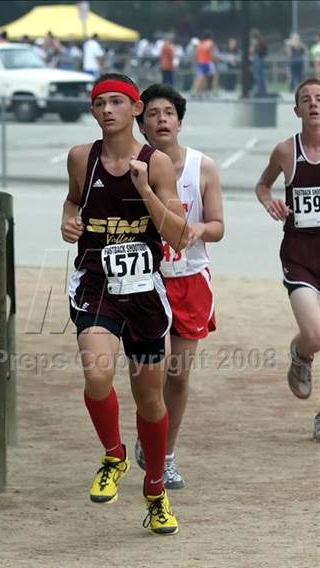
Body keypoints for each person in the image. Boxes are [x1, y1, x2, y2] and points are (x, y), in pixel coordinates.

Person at [61, 73, 189, 534]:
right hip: (96, 282)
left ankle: (155, 490)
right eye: (100, 103)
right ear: (93, 112)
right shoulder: (81, 158)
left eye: (117, 101)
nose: (107, 109)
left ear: (135, 109)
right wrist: (69, 223)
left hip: (143, 292)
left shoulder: (156, 163)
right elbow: (73, 201)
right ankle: (114, 454)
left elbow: (177, 234)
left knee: (149, 398)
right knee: (96, 371)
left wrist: (146, 190)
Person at [134, 83, 224, 487]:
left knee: (179, 374)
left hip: (190, 280)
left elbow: (219, 228)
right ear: (142, 125)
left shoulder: (202, 167)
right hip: (148, 279)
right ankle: (150, 438)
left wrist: (199, 227)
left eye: (168, 112)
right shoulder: (133, 168)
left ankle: (166, 454)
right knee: (154, 370)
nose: (162, 119)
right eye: (153, 113)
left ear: (180, 121)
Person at [255, 78, 320, 442]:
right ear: (296, 111)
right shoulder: (285, 151)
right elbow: (263, 185)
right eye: (306, 100)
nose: (314, 105)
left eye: (319, 99)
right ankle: (300, 352)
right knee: (315, 333)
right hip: (300, 255)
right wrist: (270, 201)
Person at [191, 32, 216, 96]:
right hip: (206, 61)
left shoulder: (200, 43)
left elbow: (197, 53)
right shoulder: (210, 42)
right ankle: (195, 91)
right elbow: (210, 51)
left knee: (203, 77)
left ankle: (201, 92)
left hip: (200, 61)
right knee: (202, 77)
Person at [250, 29, 268, 97]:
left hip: (258, 57)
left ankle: (259, 89)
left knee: (258, 75)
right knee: (260, 74)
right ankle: (262, 89)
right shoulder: (261, 39)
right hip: (260, 58)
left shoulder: (257, 41)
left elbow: (252, 50)